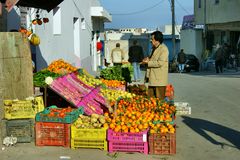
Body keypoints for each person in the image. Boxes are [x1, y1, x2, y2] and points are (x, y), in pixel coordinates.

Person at [142, 31, 169, 99]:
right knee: (151, 100)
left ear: (157, 40)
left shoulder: (164, 49)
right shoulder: (153, 48)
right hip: (152, 78)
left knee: (159, 101)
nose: (151, 41)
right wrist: (147, 59)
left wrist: (148, 62)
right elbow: (152, 58)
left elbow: (160, 63)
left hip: (159, 80)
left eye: (152, 39)